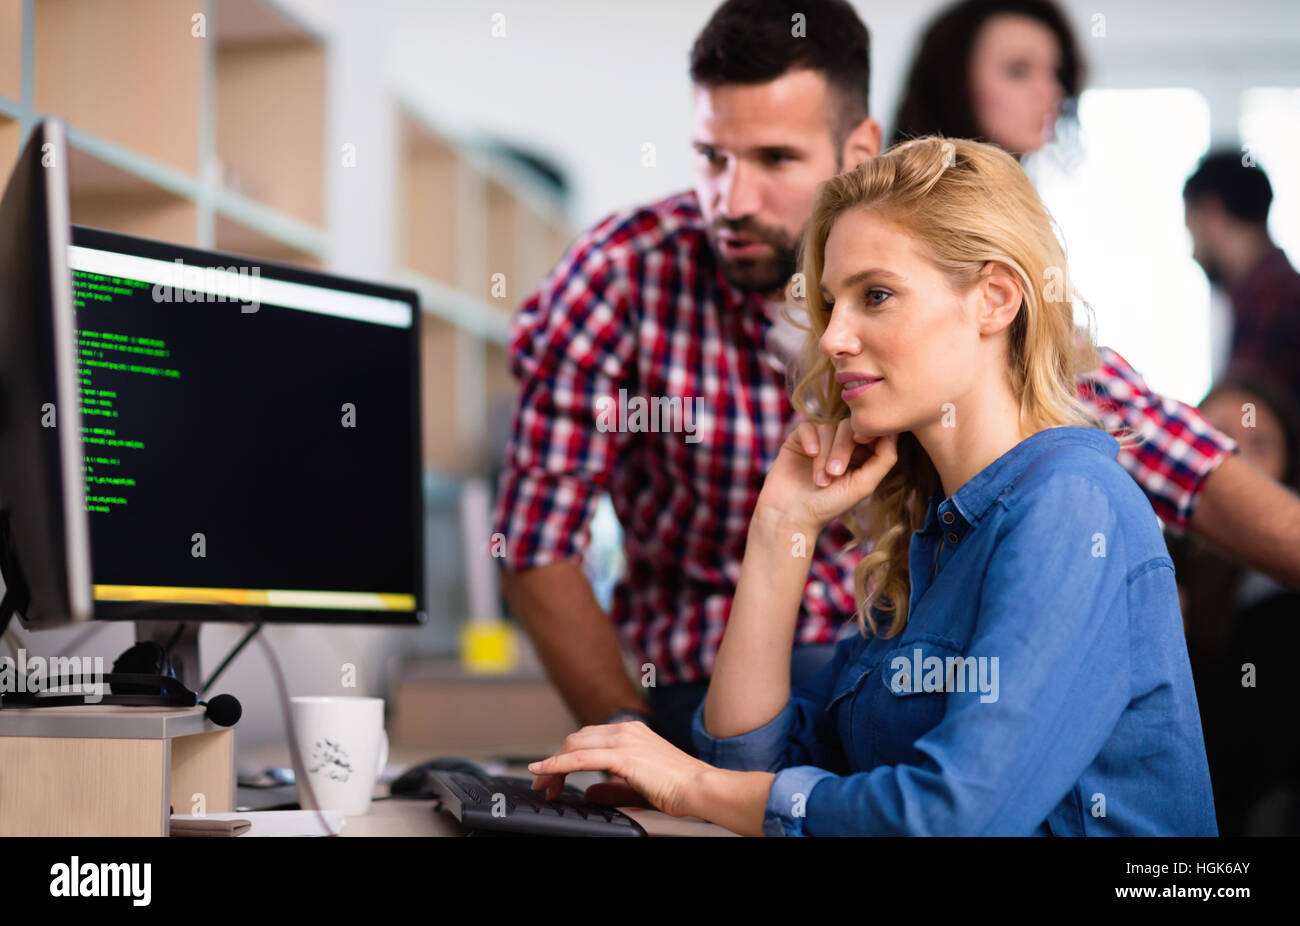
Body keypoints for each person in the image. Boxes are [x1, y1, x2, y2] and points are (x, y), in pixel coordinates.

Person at [493, 0, 1300, 762]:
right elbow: (537, 544)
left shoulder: (977, 331)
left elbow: (1169, 452)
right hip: (704, 683)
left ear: (856, 146)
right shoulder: (621, 274)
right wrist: (630, 748)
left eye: (775, 158)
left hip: (896, 676)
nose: (729, 201)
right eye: (712, 157)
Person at [528, 137, 1217, 836]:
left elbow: (949, 818)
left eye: (876, 295)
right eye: (833, 303)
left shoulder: (1071, 506)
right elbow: (746, 762)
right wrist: (781, 529)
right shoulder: (937, 536)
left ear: (995, 299)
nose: (832, 339)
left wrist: (691, 784)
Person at [1167, 369, 1300, 836]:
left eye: (1260, 445)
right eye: (1218, 442)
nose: (1237, 461)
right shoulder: (1149, 573)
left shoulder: (1282, 609)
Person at [889, 0, 1082, 157]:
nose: (1051, 91)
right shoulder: (901, 202)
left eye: (1057, 73)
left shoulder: (1015, 197)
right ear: (954, 83)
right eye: (1018, 71)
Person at [1184, 152, 1300, 409]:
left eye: (1191, 231)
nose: (1193, 254)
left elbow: (1244, 413)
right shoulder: (1274, 288)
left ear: (1209, 212)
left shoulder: (1272, 297)